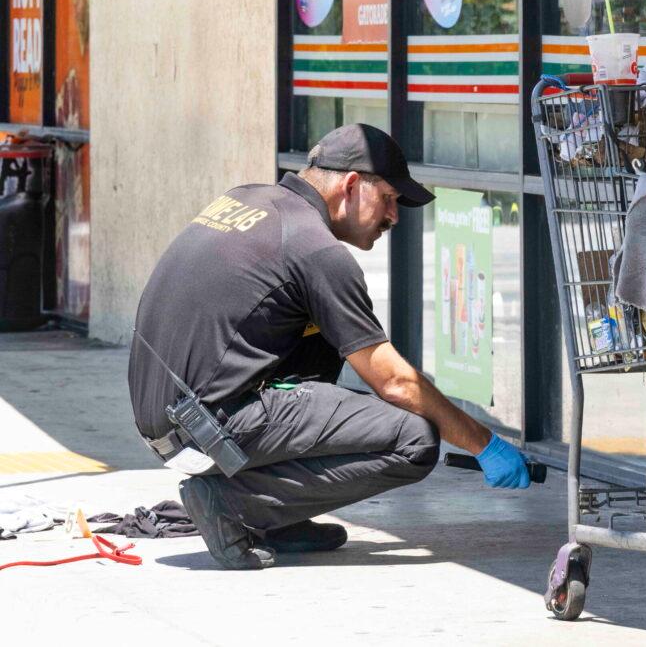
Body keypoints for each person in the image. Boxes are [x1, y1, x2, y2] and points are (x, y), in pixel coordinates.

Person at [128, 123, 530, 570]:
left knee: (327, 336)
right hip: (208, 424)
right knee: (413, 438)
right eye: (390, 200)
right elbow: (394, 381)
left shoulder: (247, 199)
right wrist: (484, 444)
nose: (395, 217)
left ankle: (278, 518)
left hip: (164, 419)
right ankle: (235, 503)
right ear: (352, 185)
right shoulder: (316, 250)